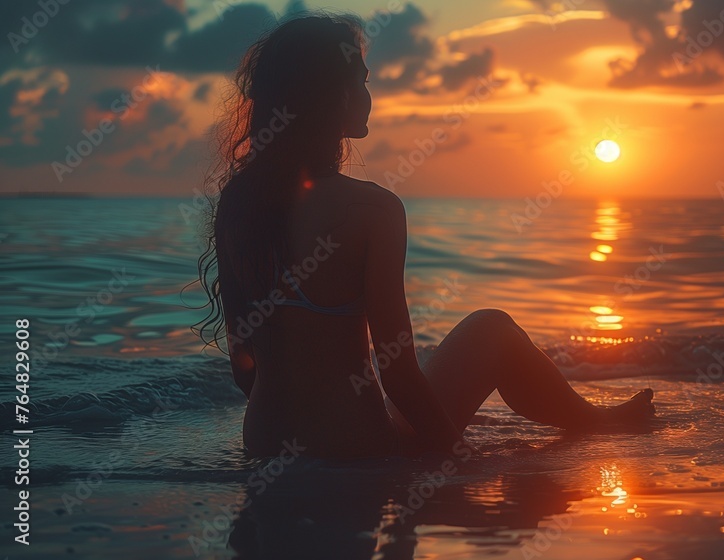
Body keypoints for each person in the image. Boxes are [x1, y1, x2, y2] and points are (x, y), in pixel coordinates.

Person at [195, 14, 654, 460]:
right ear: (333, 96)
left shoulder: (240, 204)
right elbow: (396, 372)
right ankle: (595, 423)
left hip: (264, 443)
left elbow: (244, 366)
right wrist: (458, 455)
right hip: (361, 446)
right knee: (493, 329)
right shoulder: (374, 209)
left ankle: (591, 420)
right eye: (362, 82)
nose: (367, 95)